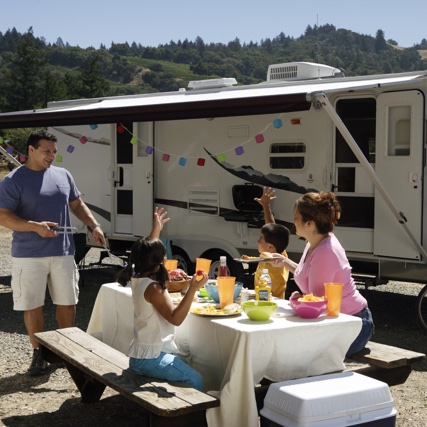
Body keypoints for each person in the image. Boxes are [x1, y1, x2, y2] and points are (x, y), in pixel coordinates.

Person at [0, 129, 109, 376]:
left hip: (63, 251)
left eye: (54, 152)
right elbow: (3, 216)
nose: (52, 156)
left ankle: (64, 348)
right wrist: (33, 227)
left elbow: (77, 203)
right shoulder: (13, 180)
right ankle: (39, 354)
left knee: (68, 303)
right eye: (46, 151)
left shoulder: (63, 175)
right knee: (33, 305)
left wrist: (94, 224)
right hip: (28, 255)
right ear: (31, 150)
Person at [270, 191, 374, 357]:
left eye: (296, 216)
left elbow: (316, 305)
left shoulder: (325, 251)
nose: (293, 221)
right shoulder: (315, 242)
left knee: (299, 354)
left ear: (309, 224)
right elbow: (309, 274)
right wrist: (285, 262)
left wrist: (297, 298)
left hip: (354, 325)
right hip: (340, 321)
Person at [116, 237, 208, 390]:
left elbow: (146, 249)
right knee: (195, 380)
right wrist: (192, 289)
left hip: (141, 355)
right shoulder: (153, 288)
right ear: (161, 260)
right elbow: (176, 319)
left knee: (185, 360)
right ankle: (194, 413)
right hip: (150, 358)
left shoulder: (138, 279)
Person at [254, 187, 290, 299]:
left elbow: (265, 296)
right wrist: (266, 206)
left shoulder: (273, 271)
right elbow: (272, 230)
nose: (257, 241)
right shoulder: (280, 252)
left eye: (260, 239)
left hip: (271, 307)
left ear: (270, 246)